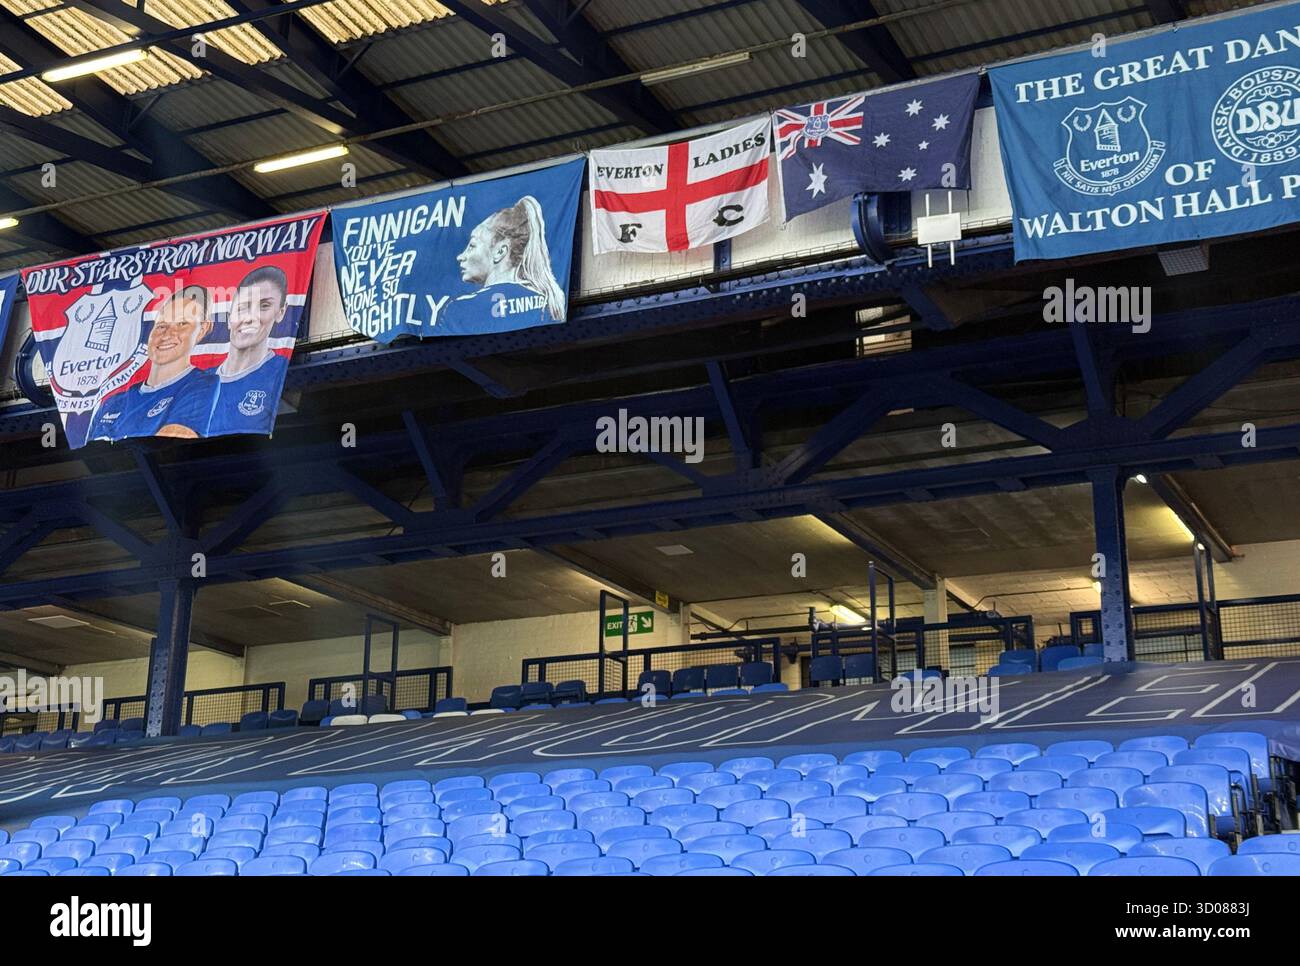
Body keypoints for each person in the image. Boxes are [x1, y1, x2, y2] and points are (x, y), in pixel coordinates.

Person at [87, 284, 217, 442]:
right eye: (162, 325)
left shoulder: (202, 385)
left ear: (203, 329)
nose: (167, 334)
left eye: (182, 324)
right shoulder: (113, 403)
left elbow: (168, 449)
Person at [438, 196, 567, 333]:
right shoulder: (546, 304)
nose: (460, 256)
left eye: (472, 246)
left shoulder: (460, 309)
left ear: (500, 251)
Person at [205, 266, 291, 437]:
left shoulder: (282, 370)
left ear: (281, 312)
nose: (250, 318)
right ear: (230, 317)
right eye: (243, 307)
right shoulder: (199, 383)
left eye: (264, 306)